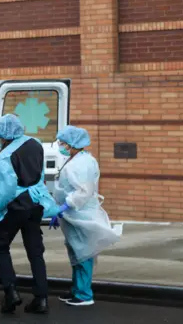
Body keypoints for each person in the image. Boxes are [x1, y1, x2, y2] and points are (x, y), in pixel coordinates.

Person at [0, 114, 59, 315]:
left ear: (2, 134)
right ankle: (41, 299)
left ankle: (11, 293)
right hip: (36, 201)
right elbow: (39, 175)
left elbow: (7, 190)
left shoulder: (6, 155)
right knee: (35, 250)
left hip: (17, 205)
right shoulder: (35, 144)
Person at [49, 126, 120, 307]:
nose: (60, 145)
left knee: (83, 252)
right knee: (75, 250)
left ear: (73, 144)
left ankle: (84, 294)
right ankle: (77, 289)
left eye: (63, 142)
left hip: (81, 213)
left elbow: (83, 191)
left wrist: (66, 205)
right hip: (74, 214)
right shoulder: (78, 159)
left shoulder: (80, 164)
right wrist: (60, 210)